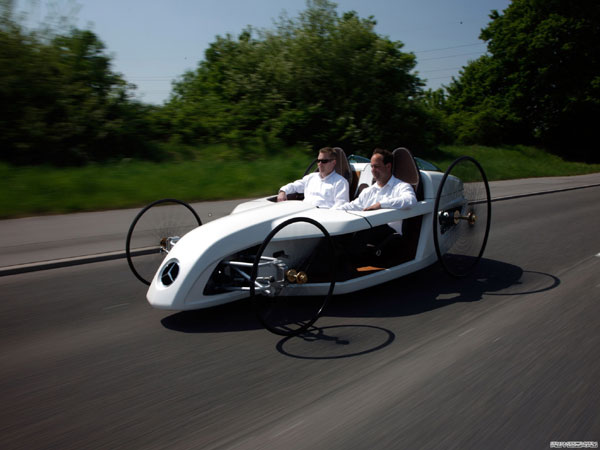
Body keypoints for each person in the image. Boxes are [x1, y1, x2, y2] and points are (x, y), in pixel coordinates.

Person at [336, 148, 417, 256]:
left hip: (390, 236)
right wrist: (331, 212)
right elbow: (353, 206)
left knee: (366, 225)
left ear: (388, 166)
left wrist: (380, 205)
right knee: (342, 229)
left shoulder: (401, 187)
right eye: (372, 166)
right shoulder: (368, 191)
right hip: (368, 231)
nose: (373, 170)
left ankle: (347, 261)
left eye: (377, 166)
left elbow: (410, 200)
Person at [277, 147, 349, 208]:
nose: (320, 164)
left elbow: (340, 206)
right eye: (318, 161)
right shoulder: (310, 177)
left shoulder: (341, 182)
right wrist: (283, 191)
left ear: (333, 163)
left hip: (322, 219)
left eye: (324, 161)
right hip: (303, 214)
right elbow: (294, 186)